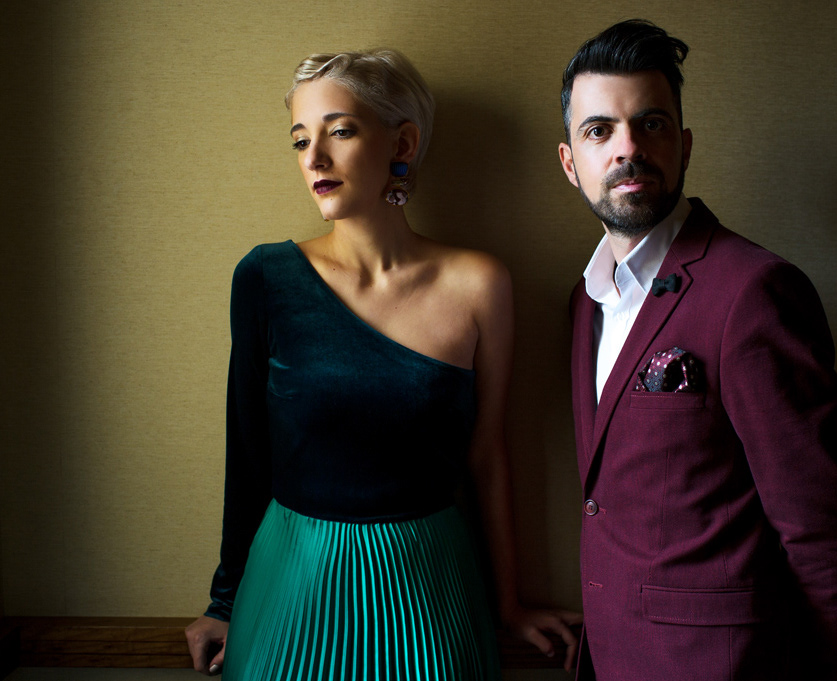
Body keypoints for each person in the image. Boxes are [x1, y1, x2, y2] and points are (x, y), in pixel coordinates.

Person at [185, 48, 580, 679]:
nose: (314, 158)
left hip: (429, 587)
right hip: (290, 585)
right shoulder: (265, 278)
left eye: (339, 132)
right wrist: (224, 602)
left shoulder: (479, 284)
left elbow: (487, 456)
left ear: (403, 142)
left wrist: (508, 604)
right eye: (300, 140)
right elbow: (248, 451)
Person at [557, 20, 837, 681]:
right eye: (599, 131)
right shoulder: (584, 302)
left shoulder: (754, 291)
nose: (627, 148)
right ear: (570, 163)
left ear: (684, 145)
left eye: (650, 124)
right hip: (610, 657)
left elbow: (824, 529)